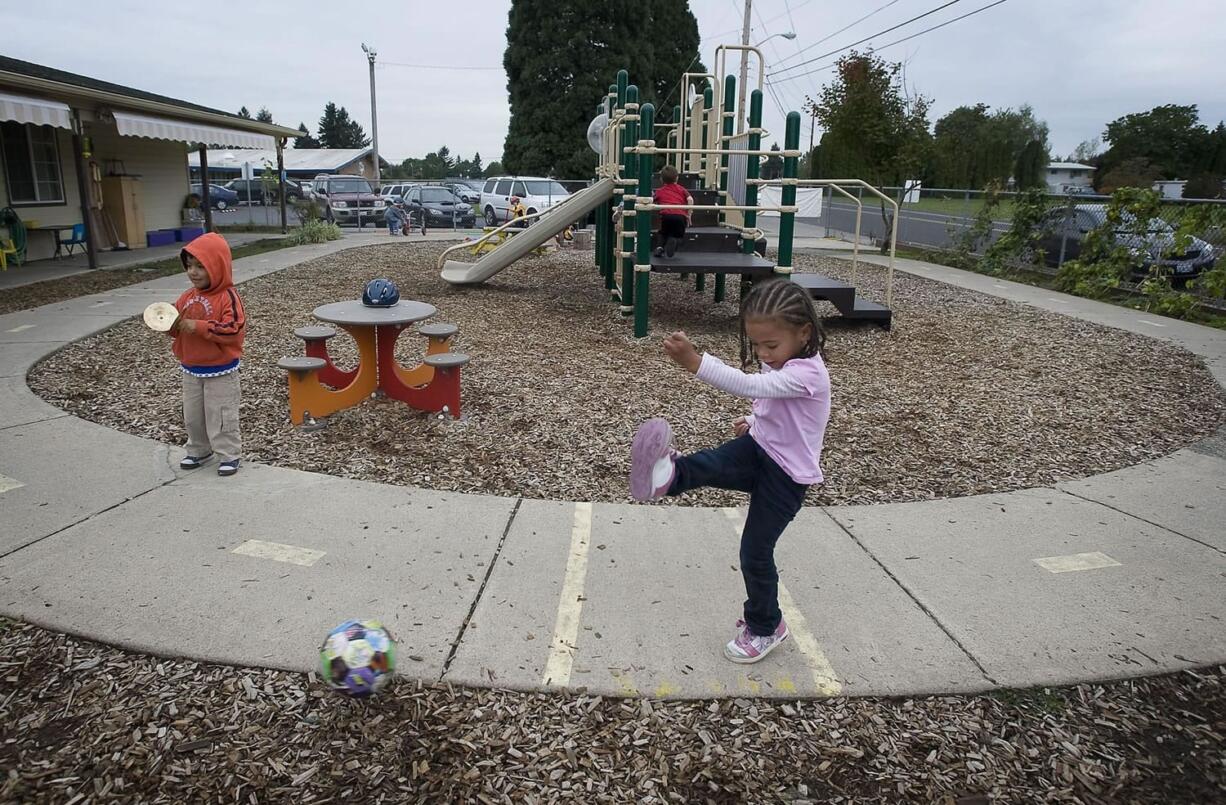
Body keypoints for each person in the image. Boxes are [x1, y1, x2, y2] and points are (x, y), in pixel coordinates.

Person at [628, 278, 830, 664]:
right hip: (761, 448)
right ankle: (665, 474)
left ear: (804, 333)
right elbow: (775, 402)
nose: (763, 353)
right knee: (711, 463)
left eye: (771, 345)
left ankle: (767, 626)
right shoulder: (785, 361)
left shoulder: (809, 374)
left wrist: (695, 362)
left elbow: (750, 384)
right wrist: (755, 422)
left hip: (786, 478)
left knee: (755, 552)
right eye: (756, 345)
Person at [170, 232, 246, 477]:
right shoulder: (187, 297)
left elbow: (233, 330)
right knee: (193, 415)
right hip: (191, 368)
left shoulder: (228, 297)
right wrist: (165, 321)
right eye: (189, 266)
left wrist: (198, 326)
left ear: (218, 266)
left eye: (201, 266)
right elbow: (175, 320)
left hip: (220, 370)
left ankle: (228, 453)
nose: (193, 272)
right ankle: (199, 449)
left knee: (221, 414)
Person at [652, 164, 693, 258]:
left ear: (661, 179)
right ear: (677, 178)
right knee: (679, 234)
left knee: (663, 233)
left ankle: (659, 247)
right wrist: (688, 214)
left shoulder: (660, 191)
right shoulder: (681, 189)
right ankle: (674, 240)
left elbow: (652, 199)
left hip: (666, 216)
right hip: (680, 216)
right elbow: (690, 199)